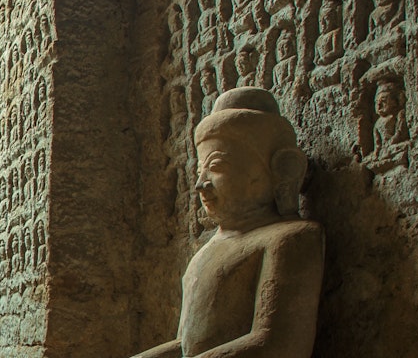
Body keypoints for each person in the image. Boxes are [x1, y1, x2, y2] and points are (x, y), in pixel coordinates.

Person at [130, 87, 323, 358]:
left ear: (281, 168)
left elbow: (280, 344)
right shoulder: (206, 253)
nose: (200, 184)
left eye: (217, 167)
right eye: (200, 171)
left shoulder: (289, 239)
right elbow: (185, 345)